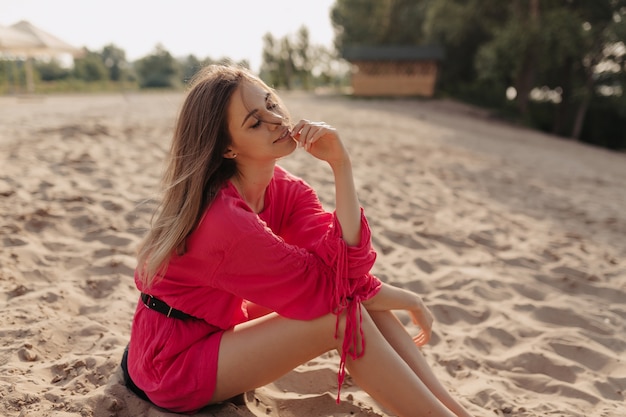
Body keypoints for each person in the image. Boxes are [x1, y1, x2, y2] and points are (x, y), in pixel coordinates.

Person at [121, 64, 474, 417]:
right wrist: (408, 299)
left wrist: (341, 165)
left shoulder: (284, 188)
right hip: (170, 364)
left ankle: (456, 411)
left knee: (355, 301)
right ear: (227, 148)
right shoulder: (225, 222)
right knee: (342, 317)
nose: (276, 120)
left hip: (221, 323)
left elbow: (344, 269)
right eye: (255, 122)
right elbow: (332, 289)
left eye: (271, 103)